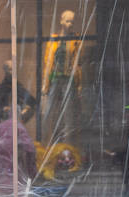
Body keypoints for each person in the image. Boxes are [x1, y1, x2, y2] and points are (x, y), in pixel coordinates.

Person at [41, 10, 82, 145]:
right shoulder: (54, 39)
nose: (70, 24)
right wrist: (45, 84)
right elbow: (48, 62)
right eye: (67, 21)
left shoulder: (75, 39)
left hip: (68, 79)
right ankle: (46, 143)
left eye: (72, 21)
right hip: (54, 79)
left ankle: (67, 145)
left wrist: (79, 84)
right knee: (48, 112)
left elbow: (77, 62)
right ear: (61, 21)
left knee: (68, 114)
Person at [0, 60, 37, 124]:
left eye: (14, 69)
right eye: (10, 69)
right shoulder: (0, 88)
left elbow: (32, 102)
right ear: (5, 71)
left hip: (18, 122)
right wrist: (5, 110)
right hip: (6, 123)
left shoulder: (19, 87)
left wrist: (24, 110)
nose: (13, 72)